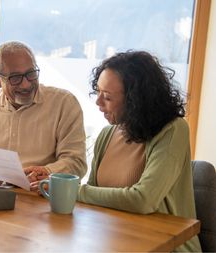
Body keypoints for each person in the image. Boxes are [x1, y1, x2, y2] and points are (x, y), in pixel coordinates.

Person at [77, 51, 201, 252]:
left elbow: (143, 200)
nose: (98, 103)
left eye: (107, 97)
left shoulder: (173, 130)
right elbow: (91, 198)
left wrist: (76, 191)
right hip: (114, 241)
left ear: (136, 99)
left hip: (167, 247)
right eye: (98, 92)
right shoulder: (107, 135)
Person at [0, 41, 87, 192]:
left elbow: (76, 162)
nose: (26, 84)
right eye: (15, 78)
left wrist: (47, 171)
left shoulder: (64, 103)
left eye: (31, 74)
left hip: (38, 197)